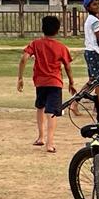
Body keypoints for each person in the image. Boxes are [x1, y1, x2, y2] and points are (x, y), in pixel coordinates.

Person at [18, 16, 75, 153]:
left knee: (40, 107)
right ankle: (50, 143)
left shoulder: (36, 44)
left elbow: (24, 57)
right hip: (55, 82)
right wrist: (71, 82)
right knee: (52, 112)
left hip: (40, 82)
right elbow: (67, 66)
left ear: (42, 28)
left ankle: (41, 137)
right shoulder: (61, 47)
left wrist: (20, 77)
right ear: (57, 30)